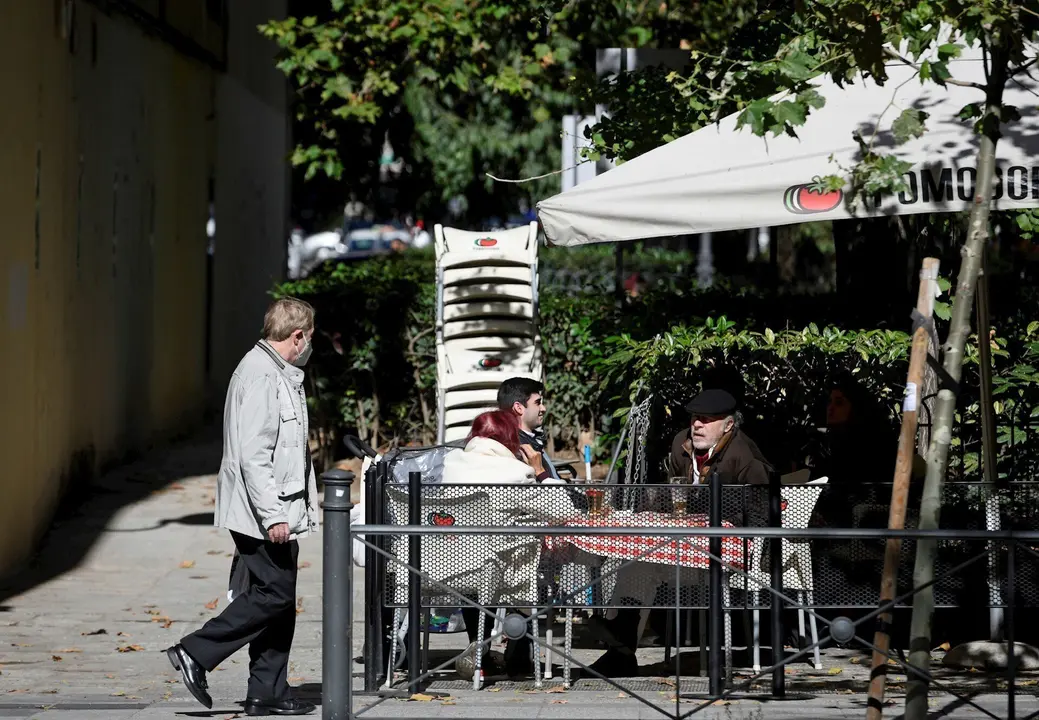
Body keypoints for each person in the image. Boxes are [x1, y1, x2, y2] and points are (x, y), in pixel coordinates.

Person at [166, 298, 319, 717]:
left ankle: (266, 691)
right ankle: (195, 651)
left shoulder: (278, 372)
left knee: (277, 596)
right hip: (263, 511)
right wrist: (273, 516)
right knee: (275, 593)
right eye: (310, 336)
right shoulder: (260, 375)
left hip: (278, 506)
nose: (311, 345)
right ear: (298, 336)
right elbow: (253, 455)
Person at [587, 386, 775, 677]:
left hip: (729, 558)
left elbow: (761, 509)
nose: (697, 424)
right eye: (694, 418)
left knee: (646, 559)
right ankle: (620, 650)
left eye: (706, 419)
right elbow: (670, 498)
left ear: (728, 425)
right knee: (639, 559)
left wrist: (717, 511)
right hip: (688, 549)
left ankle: (620, 642)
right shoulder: (681, 444)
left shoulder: (743, 455)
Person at [441, 410, 567, 681]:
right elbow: (562, 511)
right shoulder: (516, 471)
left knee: (475, 563)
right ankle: (518, 652)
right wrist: (541, 472)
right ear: (511, 437)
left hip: (450, 569)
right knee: (535, 564)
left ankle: (482, 650)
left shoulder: (450, 464)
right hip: (502, 574)